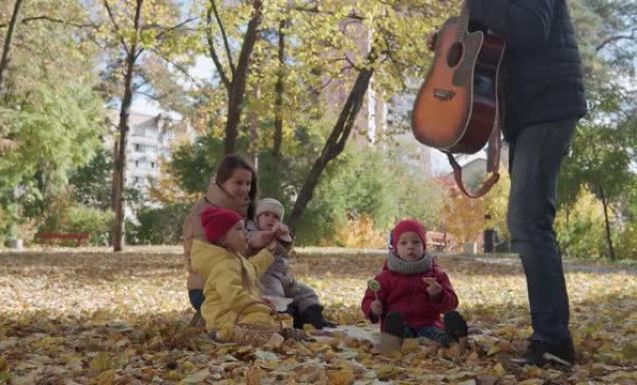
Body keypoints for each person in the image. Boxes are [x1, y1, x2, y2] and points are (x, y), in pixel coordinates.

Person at [464, 0, 588, 366]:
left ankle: (553, 341)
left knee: (528, 222)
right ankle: (551, 337)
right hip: (529, 112)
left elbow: (533, 28)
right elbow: (490, 39)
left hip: (549, 106)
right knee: (529, 222)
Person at [182, 154, 273, 318]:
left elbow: (238, 256)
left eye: (248, 183)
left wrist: (268, 243)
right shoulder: (206, 212)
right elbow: (215, 262)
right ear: (222, 182)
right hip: (206, 289)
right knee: (256, 316)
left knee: (288, 301)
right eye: (238, 183)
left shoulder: (239, 208)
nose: (245, 189)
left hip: (236, 283)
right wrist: (252, 244)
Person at [361, 219, 467, 347]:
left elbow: (451, 304)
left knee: (436, 335)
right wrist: (372, 308)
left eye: (416, 242)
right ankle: (394, 338)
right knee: (399, 333)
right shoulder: (384, 278)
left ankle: (453, 338)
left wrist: (438, 295)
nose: (410, 246)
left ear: (423, 246)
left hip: (428, 324)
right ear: (396, 248)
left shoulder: (435, 274)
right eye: (404, 243)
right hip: (399, 326)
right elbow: (370, 298)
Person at [191, 206, 280, 342]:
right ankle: (224, 334)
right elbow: (234, 297)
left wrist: (269, 251)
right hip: (224, 317)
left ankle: (271, 334)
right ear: (222, 238)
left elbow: (252, 269)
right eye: (239, 229)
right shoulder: (225, 265)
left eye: (245, 229)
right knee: (262, 317)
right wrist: (260, 305)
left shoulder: (235, 258)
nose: (245, 233)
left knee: (276, 317)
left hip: (236, 312)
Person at [249, 198, 336, 329]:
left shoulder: (280, 234)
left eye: (275, 217)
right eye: (266, 215)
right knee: (273, 294)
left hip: (284, 276)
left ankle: (314, 318)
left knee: (306, 292)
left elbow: (286, 251)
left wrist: (285, 236)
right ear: (257, 218)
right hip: (265, 275)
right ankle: (281, 319)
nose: (271, 219)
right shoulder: (252, 233)